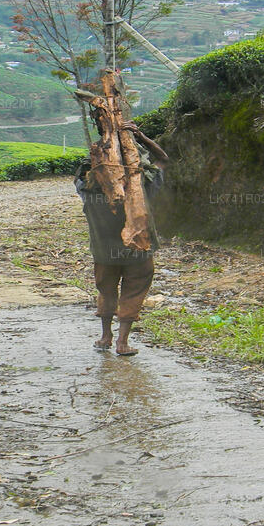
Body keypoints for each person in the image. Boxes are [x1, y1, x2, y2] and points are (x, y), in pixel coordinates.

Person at [75, 123, 168, 356]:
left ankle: (105, 336)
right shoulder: (144, 184)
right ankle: (122, 342)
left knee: (106, 291)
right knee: (134, 292)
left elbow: (82, 171)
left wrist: (101, 149)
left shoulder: (88, 188)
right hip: (139, 251)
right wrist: (141, 136)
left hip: (105, 254)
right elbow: (163, 159)